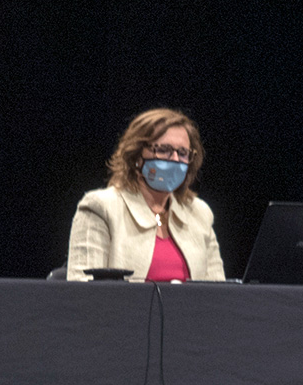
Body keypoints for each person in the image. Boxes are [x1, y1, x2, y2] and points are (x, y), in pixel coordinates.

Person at [66, 107, 225, 282]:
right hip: (124, 310)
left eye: (182, 153)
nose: (174, 159)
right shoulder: (101, 207)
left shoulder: (200, 213)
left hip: (189, 310)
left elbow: (219, 294)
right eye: (164, 149)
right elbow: (81, 291)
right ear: (136, 155)